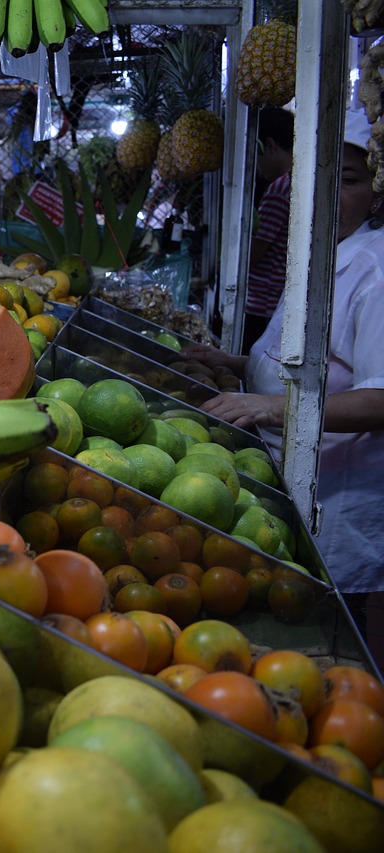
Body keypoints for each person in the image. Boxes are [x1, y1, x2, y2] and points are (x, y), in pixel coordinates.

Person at [182, 106, 384, 651]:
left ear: (379, 191)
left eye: (348, 181)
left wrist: (271, 409)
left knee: (340, 643)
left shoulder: (376, 269)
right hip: (286, 477)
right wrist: (240, 365)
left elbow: (380, 399)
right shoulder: (323, 252)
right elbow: (309, 360)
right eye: (319, 177)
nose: (327, 194)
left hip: (338, 499)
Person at [242, 108, 295, 352]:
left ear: (270, 146)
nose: (256, 165)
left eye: (256, 154)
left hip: (261, 304)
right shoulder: (299, 183)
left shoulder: (278, 189)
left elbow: (256, 252)